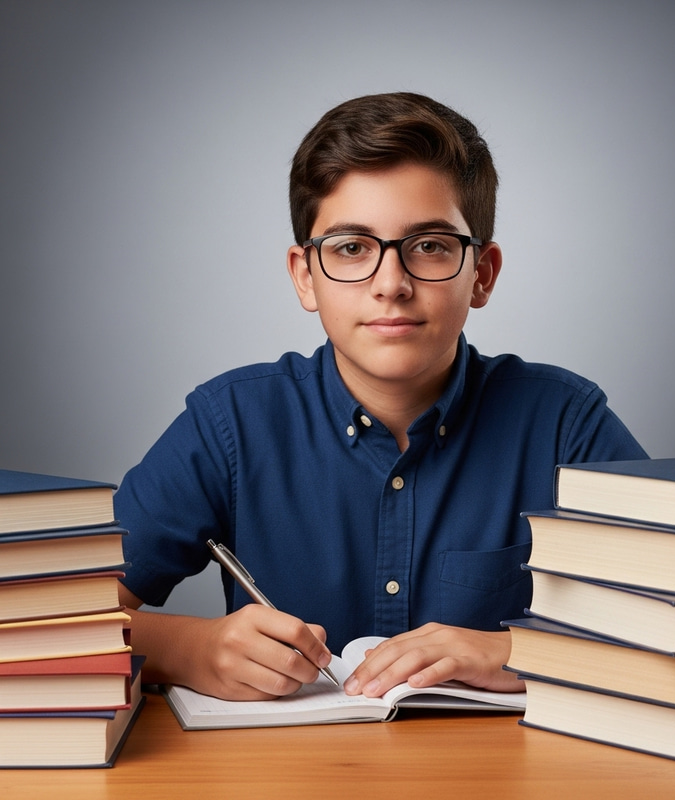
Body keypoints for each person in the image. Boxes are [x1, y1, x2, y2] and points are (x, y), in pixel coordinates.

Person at [114, 91, 647, 702]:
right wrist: (187, 651)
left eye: (429, 246)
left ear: (483, 274)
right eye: (350, 248)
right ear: (304, 276)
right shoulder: (228, 425)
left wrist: (516, 651)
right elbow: (36, 622)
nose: (391, 285)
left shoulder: (564, 424)